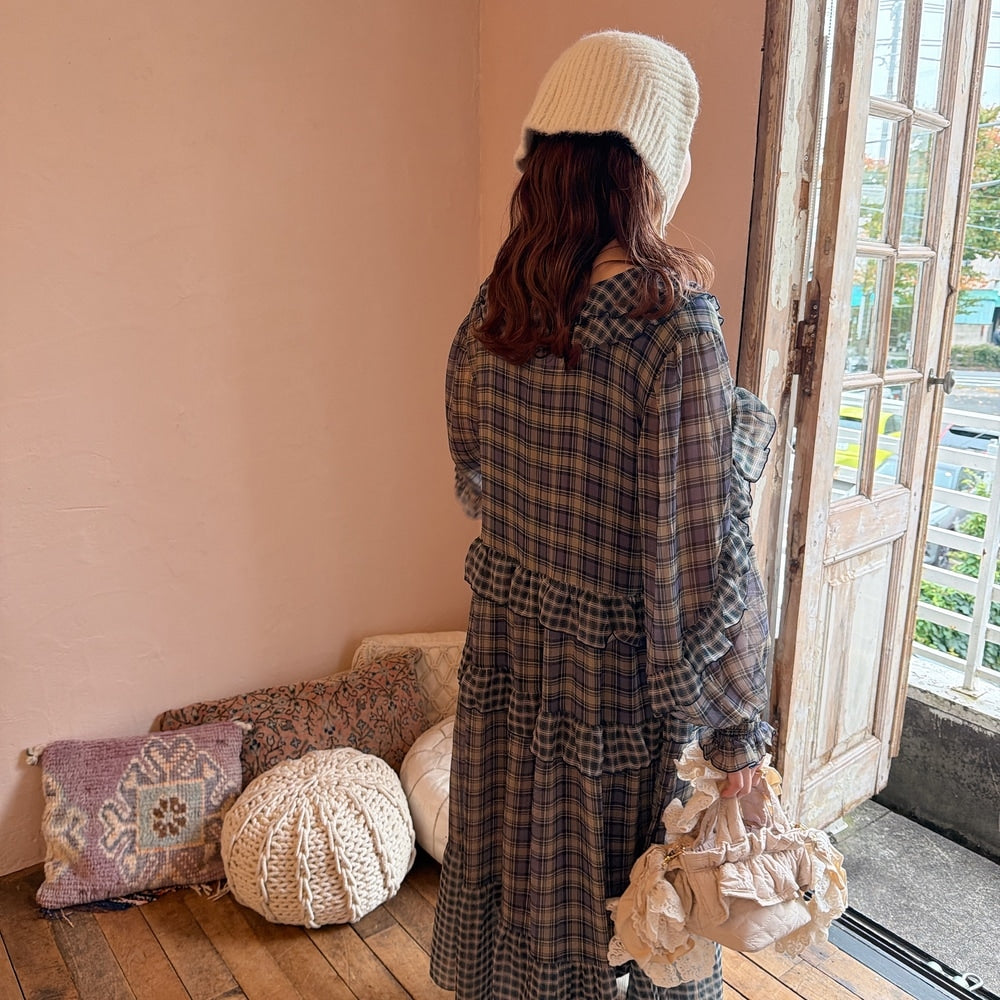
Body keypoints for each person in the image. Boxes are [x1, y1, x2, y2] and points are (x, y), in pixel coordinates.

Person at [431, 30, 776, 1000]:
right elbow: (702, 567)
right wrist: (738, 740)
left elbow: (474, 464)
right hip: (615, 690)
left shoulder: (499, 305)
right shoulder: (673, 326)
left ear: (544, 161)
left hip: (511, 657)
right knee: (631, 919)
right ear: (652, 164)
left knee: (527, 885)